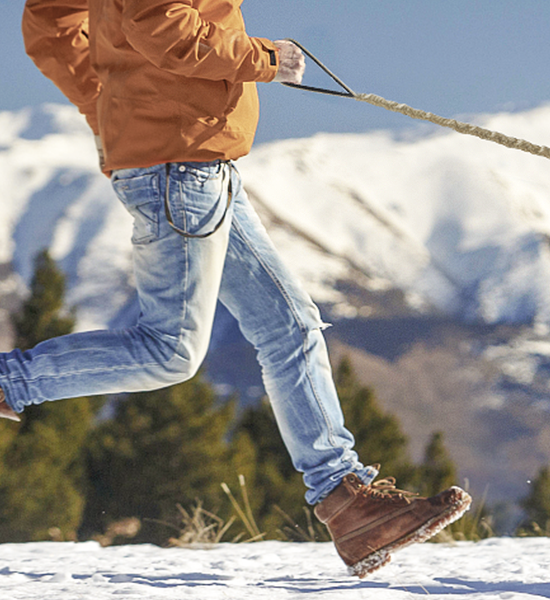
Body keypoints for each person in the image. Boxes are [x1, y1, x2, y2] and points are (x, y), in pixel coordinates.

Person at [12, 0, 469, 578]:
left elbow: (49, 21)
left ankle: (347, 502)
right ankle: (9, 382)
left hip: (194, 159)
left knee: (291, 327)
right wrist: (265, 58)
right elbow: (161, 25)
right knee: (169, 350)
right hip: (177, 163)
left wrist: (108, 102)